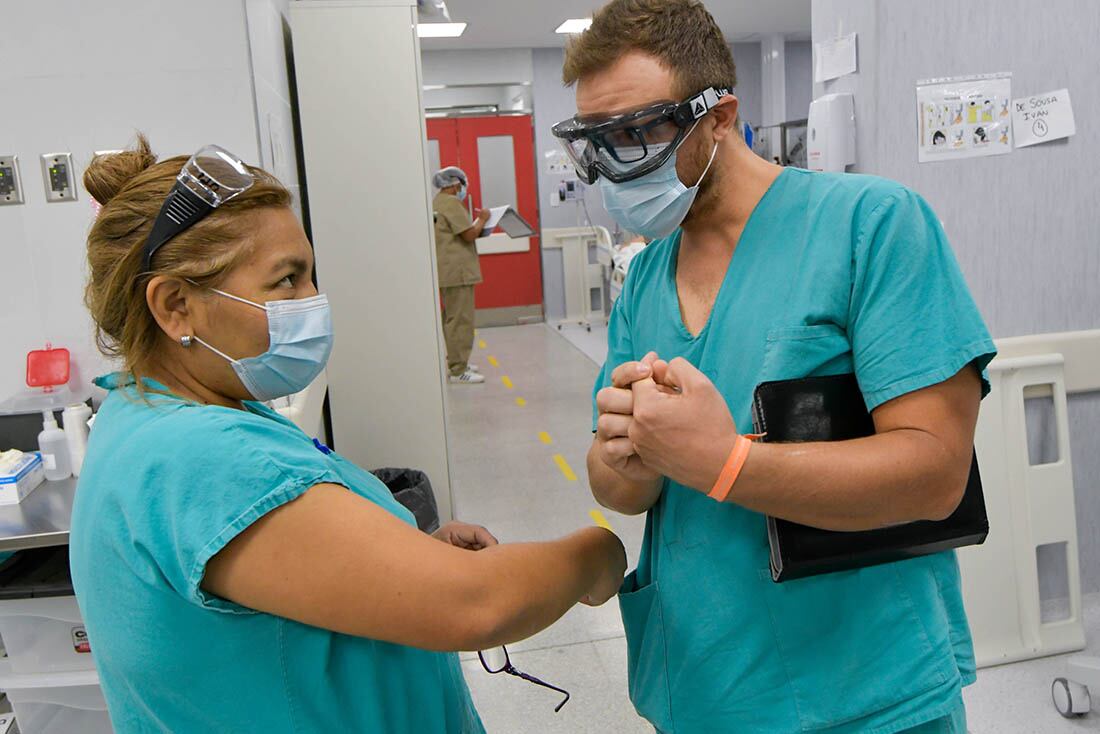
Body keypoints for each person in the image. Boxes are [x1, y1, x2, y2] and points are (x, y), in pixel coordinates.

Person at [70, 136, 626, 733]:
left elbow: (277, 582)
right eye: (285, 281)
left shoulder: (149, 415)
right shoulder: (201, 458)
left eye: (310, 276)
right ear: (176, 305)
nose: (312, 301)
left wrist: (400, 557)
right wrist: (595, 554)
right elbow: (476, 603)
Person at [554, 1, 996, 732]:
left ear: (719, 116)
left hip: (864, 698)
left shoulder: (872, 226)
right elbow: (619, 490)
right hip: (703, 690)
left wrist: (724, 463)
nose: (614, 166)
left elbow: (935, 474)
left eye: (636, 133)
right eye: (597, 144)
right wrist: (626, 458)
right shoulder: (646, 280)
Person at [432, 166, 490, 384]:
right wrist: (483, 218)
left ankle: (456, 361)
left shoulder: (437, 202)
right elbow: (469, 234)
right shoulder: (452, 203)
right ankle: (459, 370)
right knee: (461, 321)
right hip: (459, 272)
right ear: (456, 185)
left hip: (448, 271)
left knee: (451, 320)